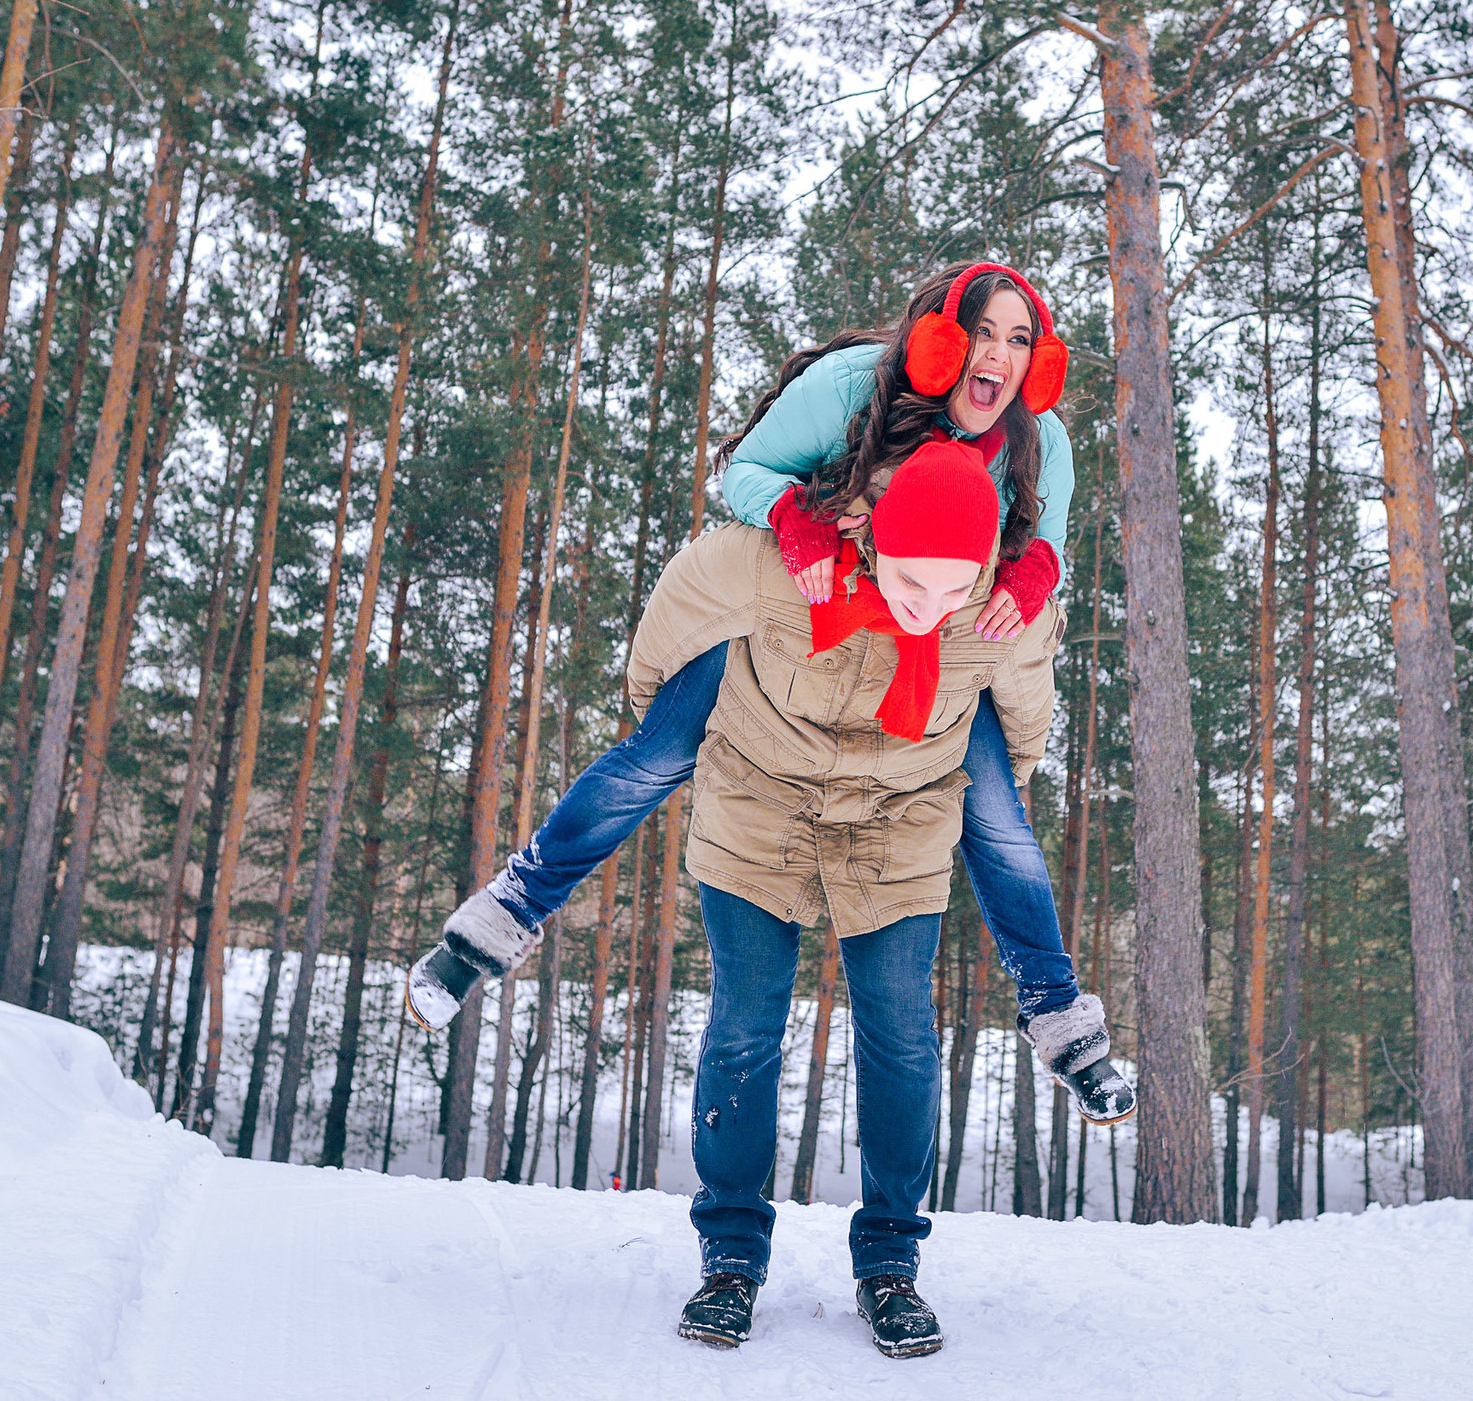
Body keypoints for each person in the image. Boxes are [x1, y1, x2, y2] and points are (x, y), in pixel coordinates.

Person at [404, 263, 1129, 1122]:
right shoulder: (851, 388)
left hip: (931, 633)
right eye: (983, 333)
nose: (1000, 358)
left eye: (1020, 341)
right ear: (941, 340)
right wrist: (799, 521)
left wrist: (1034, 574)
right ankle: (500, 919)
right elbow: (744, 472)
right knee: (658, 754)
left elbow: (1048, 543)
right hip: (801, 604)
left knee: (997, 816)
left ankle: (1059, 1017)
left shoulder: (1039, 436)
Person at [421, 441, 1094, 1357]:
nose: (927, 609)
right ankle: (730, 1258)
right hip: (758, 807)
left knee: (900, 1035)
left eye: (950, 589)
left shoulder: (1006, 613)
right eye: (908, 581)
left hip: (899, 822)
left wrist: (951, 776)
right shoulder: (764, 564)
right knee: (743, 1028)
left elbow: (1019, 733)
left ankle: (890, 1264)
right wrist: (694, 717)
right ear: (871, 533)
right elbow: (661, 657)